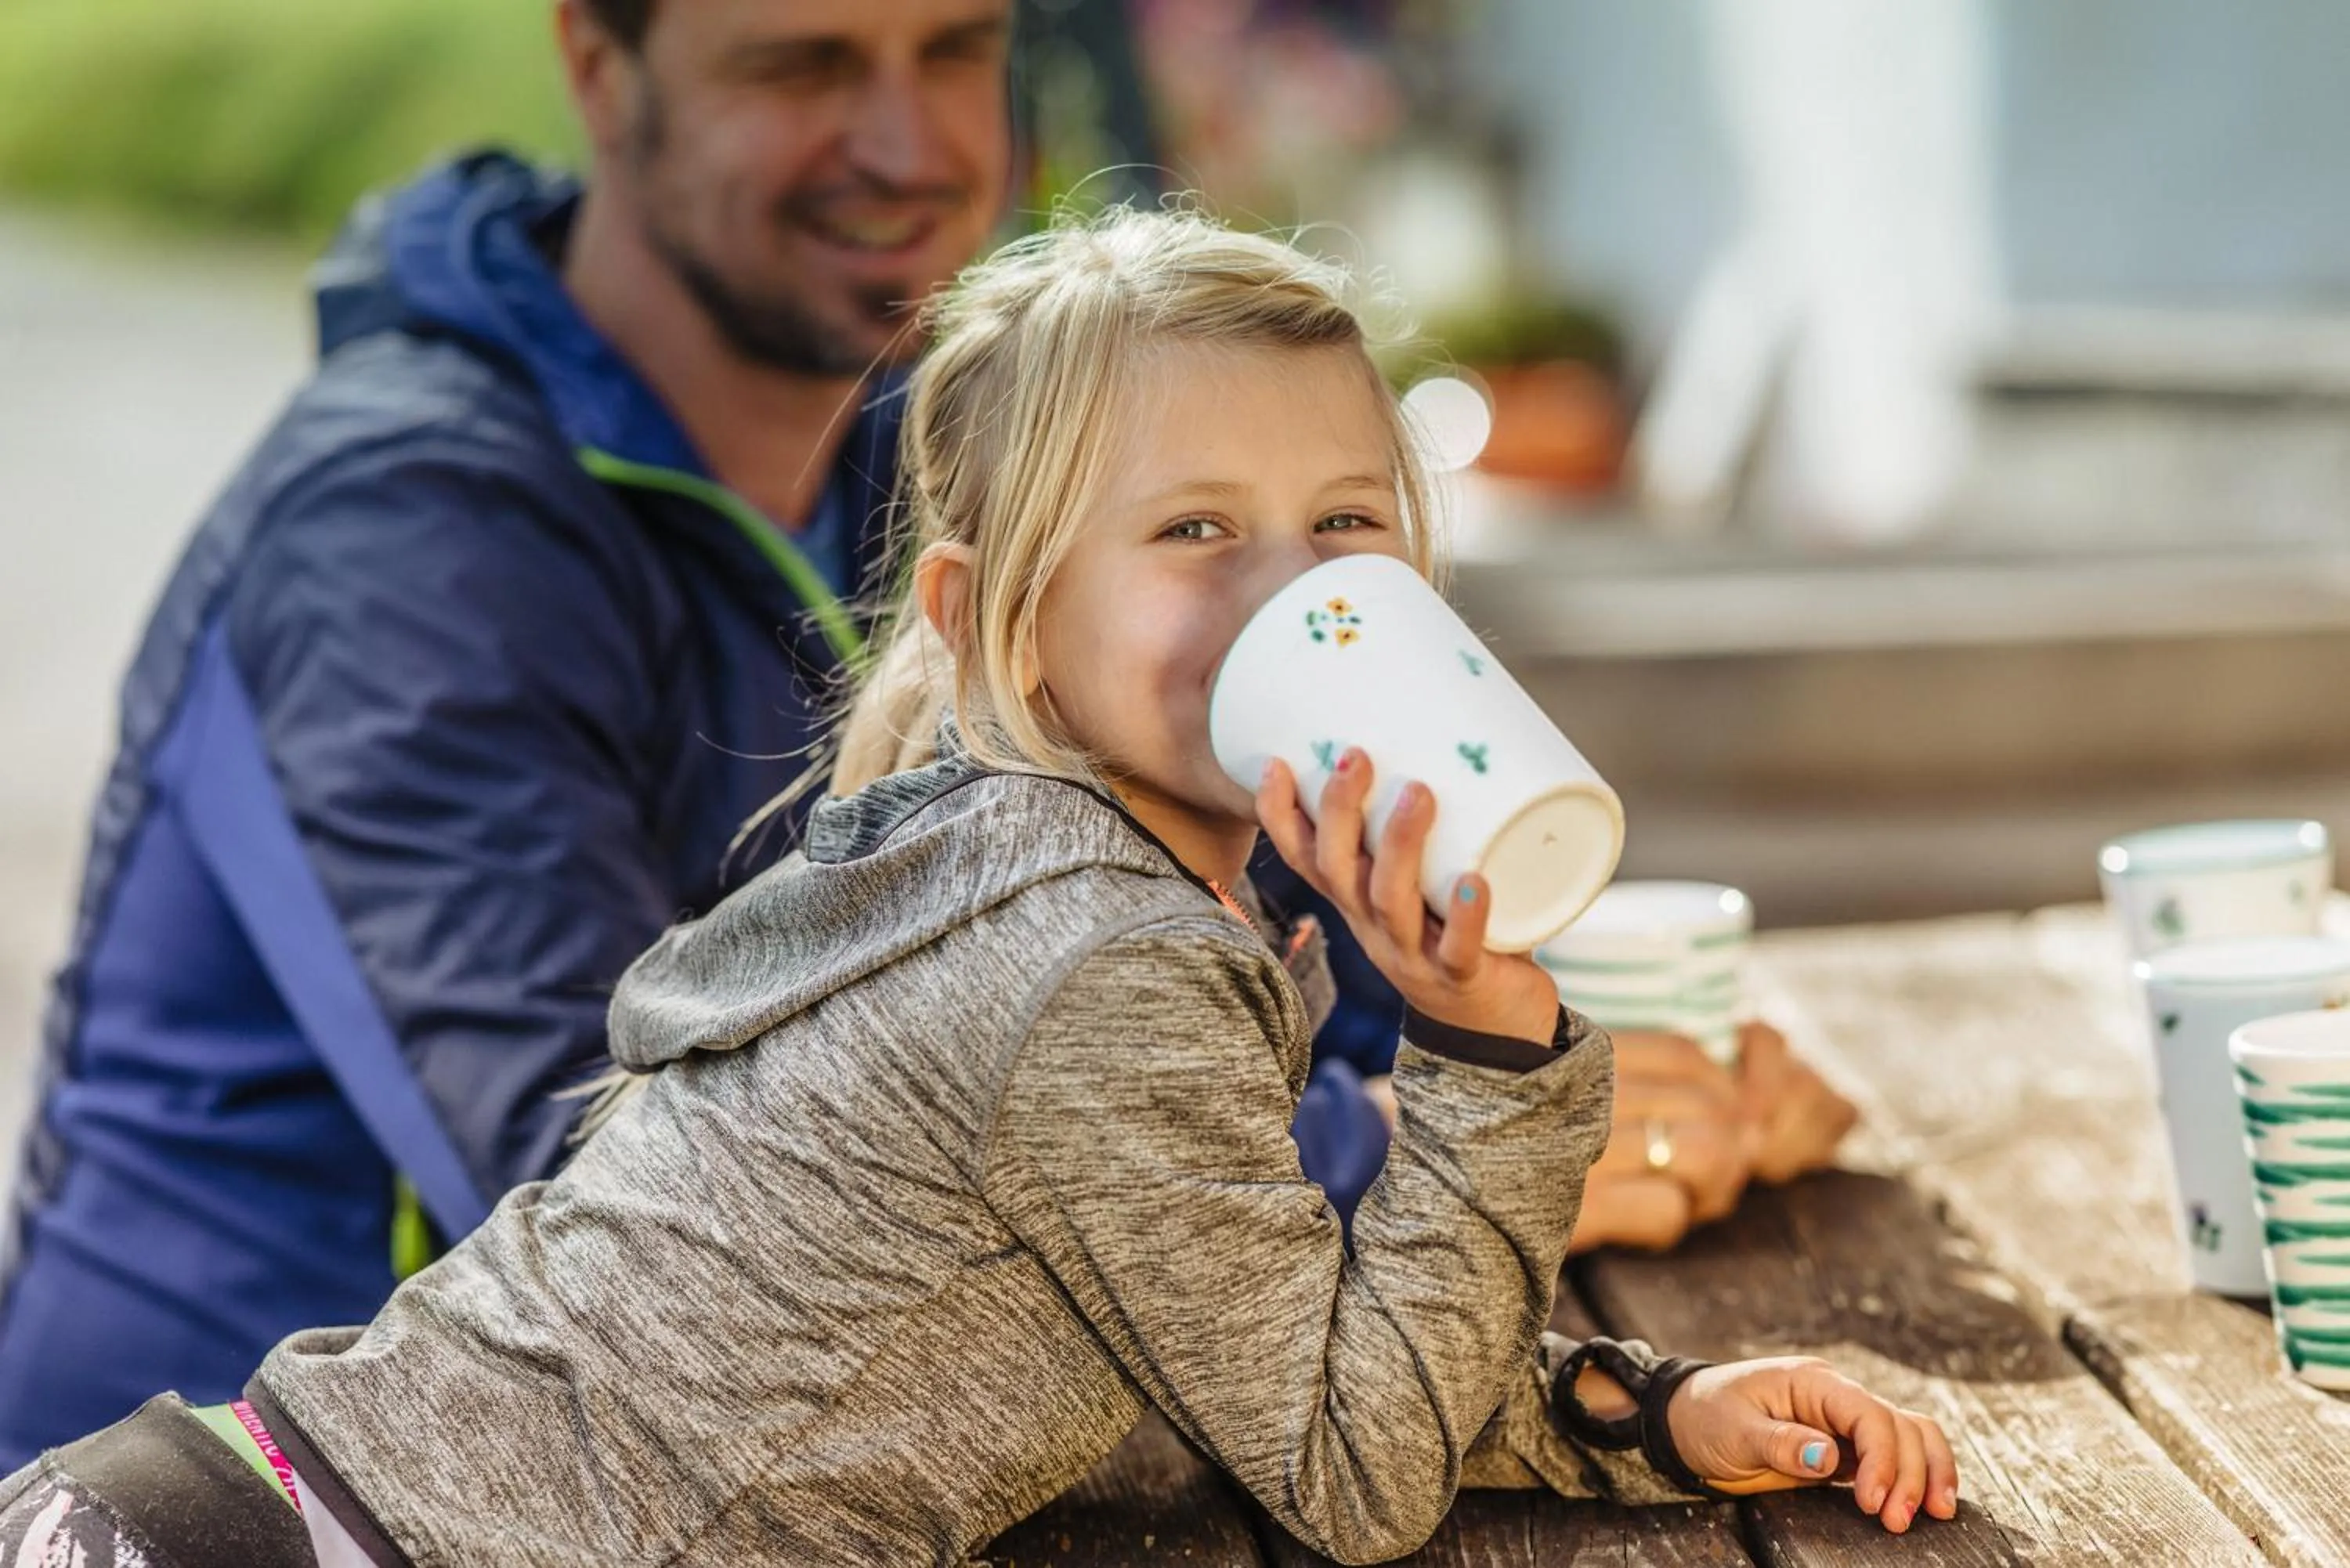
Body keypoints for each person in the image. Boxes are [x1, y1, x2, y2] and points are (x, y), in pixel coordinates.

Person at [0, 205, 1957, 1568]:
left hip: (219, 1496)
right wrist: (1484, 1051)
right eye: (1195, 529)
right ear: (999, 619)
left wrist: (1631, 1410)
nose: (1289, 586)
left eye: (1346, 527)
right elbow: (1349, 1476)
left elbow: (1232, 1352)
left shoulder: (1011, 863)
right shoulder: (1095, 958)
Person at [0, 0, 1016, 1464]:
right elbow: (646, 1224)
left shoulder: (948, 447)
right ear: (601, 71)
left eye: (959, 49)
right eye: (803, 63)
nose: (910, 145)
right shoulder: (404, 534)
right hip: (260, 1496)